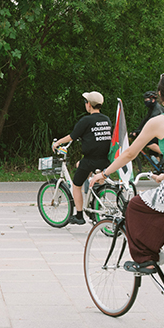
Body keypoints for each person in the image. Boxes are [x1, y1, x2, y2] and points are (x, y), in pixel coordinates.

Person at [92, 72, 164, 274]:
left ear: (160, 95)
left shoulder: (159, 121)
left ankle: (146, 259)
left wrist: (105, 174)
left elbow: (130, 153)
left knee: (134, 207)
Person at [51, 91, 113, 226]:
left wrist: (57, 143)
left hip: (90, 160)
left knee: (76, 184)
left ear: (89, 104)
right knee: (80, 164)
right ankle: (94, 200)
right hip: (105, 160)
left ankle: (79, 215)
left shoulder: (86, 120)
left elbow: (72, 136)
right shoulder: (106, 119)